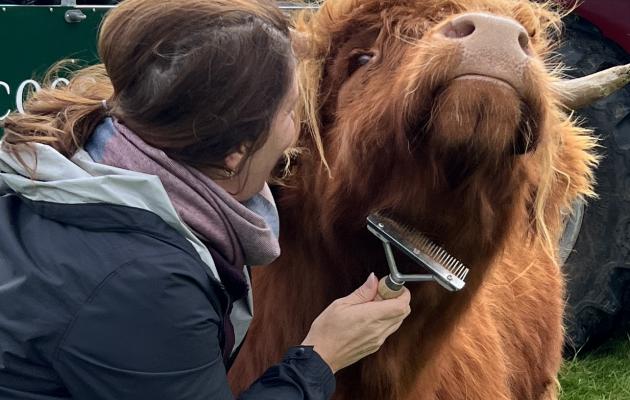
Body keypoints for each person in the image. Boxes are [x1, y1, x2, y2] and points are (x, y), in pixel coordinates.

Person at [0, 0, 411, 399]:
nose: (297, 129)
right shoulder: (145, 284)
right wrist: (322, 357)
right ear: (234, 152)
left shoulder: (86, 155)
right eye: (290, 111)